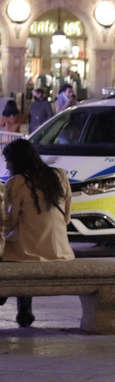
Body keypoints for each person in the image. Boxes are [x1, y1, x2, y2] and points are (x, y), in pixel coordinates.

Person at [2, 139, 74, 327]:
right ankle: (24, 310)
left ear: (17, 160)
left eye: (8, 160)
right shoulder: (59, 175)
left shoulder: (17, 182)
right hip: (61, 251)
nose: (7, 165)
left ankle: (3, 296)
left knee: (13, 252)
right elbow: (67, 218)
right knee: (22, 253)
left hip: (30, 251)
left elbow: (9, 223)